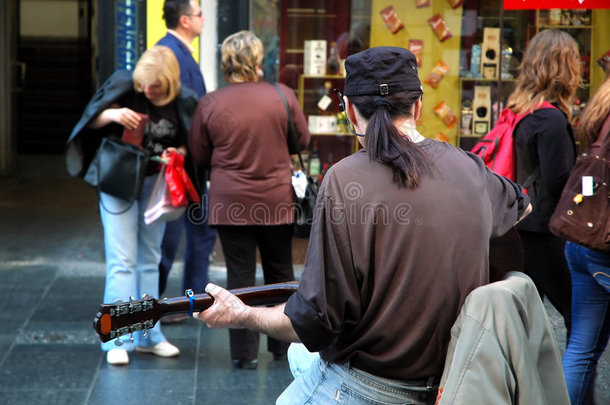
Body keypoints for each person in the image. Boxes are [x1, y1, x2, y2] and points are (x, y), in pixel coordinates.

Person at [192, 46, 531, 403]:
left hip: (370, 387)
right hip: (455, 380)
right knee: (296, 355)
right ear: (417, 106)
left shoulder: (342, 179)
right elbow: (522, 207)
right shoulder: (471, 168)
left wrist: (243, 314)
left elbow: (314, 322)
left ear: (351, 112)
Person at [66, 46, 199, 365]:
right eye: (144, 85)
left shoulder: (185, 100)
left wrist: (177, 152)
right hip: (119, 180)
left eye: (154, 86)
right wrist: (111, 114)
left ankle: (148, 334)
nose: (146, 90)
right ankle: (117, 338)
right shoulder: (126, 85)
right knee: (123, 260)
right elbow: (88, 121)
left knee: (149, 259)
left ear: (168, 83)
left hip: (156, 184)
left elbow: (191, 141)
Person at [188, 30, 310, 370]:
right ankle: (283, 348)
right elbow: (302, 138)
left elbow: (198, 153)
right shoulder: (281, 95)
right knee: (280, 273)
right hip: (277, 199)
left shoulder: (210, 103)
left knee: (238, 278)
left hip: (231, 204)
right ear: (258, 61)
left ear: (226, 62)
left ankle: (243, 355)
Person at [508, 29, 581, 337]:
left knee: (524, 323)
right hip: (546, 232)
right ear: (563, 68)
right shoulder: (550, 120)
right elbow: (558, 181)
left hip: (523, 225)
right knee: (580, 322)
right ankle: (575, 386)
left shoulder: (521, 110)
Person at [155, 0, 217, 321]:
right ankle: (156, 307)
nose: (203, 19)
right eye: (198, 14)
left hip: (188, 163)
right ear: (184, 20)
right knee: (168, 239)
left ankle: (191, 303)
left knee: (199, 231)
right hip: (179, 165)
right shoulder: (170, 54)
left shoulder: (175, 51)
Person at [561, 75, 610, 405]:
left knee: (581, 346)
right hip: (603, 247)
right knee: (583, 346)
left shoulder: (597, 115)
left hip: (580, 239)